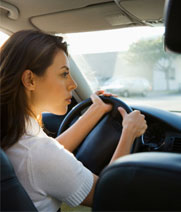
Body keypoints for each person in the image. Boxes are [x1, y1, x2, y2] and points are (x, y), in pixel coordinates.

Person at [0, 30, 147, 211]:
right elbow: (109, 196)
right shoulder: (38, 152)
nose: (73, 84)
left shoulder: (14, 132)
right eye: (63, 74)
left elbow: (47, 153)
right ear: (30, 80)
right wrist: (129, 132)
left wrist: (95, 111)